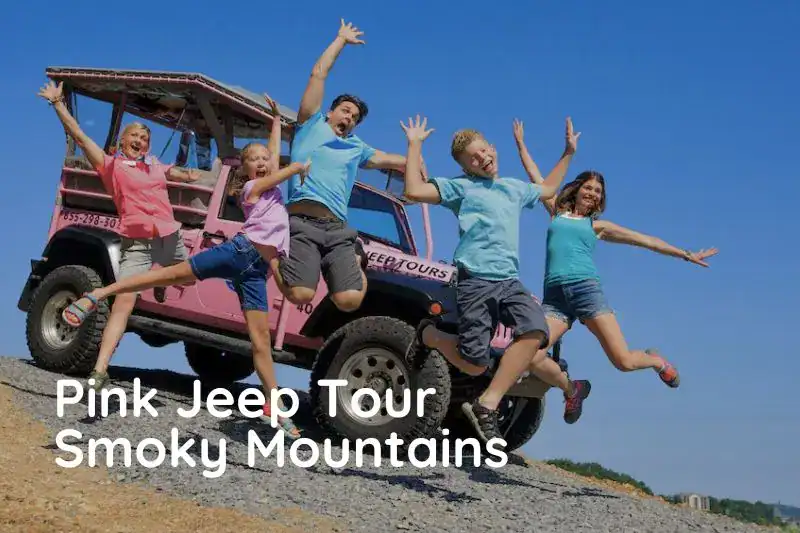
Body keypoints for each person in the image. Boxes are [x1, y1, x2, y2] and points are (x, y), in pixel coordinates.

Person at [62, 97, 307, 439]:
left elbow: (275, 153)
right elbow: (273, 174)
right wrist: (293, 169)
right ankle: (97, 294)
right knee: (166, 274)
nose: (263, 162)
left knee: (260, 341)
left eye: (266, 158)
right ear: (246, 170)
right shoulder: (251, 189)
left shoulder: (272, 185)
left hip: (256, 270)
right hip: (239, 252)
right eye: (254, 160)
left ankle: (273, 403)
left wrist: (277, 121)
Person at [512, 118, 718, 423]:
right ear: (577, 188)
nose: (593, 193)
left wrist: (685, 254)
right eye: (589, 187)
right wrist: (520, 143)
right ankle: (572, 389)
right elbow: (535, 175)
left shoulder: (597, 226)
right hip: (555, 297)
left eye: (598, 191)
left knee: (622, 361)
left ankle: (656, 361)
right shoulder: (556, 210)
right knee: (529, 353)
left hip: (586, 292)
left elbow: (645, 240)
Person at [400, 114, 583, 444]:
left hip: (509, 281)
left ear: (493, 149)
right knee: (473, 365)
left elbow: (550, 189)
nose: (482, 158)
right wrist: (414, 146)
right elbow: (412, 190)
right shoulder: (462, 188)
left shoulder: (513, 188)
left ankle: (487, 403)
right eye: (474, 158)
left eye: (484, 151)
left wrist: (568, 152)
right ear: (467, 167)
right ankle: (430, 336)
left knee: (536, 331)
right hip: (475, 282)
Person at [38, 80, 200, 387]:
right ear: (121, 142)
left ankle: (162, 278)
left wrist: (197, 170)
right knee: (125, 301)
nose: (140, 140)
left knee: (189, 276)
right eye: (134, 136)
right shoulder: (111, 166)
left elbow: (186, 173)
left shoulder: (155, 166)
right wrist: (58, 104)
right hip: (137, 243)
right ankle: (100, 369)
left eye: (144, 137)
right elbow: (81, 138)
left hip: (168, 238)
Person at [278, 19, 413, 314]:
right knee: (300, 294)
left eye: (355, 117)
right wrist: (340, 40)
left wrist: (415, 150)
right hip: (301, 223)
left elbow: (396, 161)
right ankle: (270, 253)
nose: (349, 117)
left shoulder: (357, 147)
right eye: (345, 111)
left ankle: (355, 257)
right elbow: (318, 73)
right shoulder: (309, 125)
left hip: (337, 228)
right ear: (330, 111)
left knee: (349, 302)